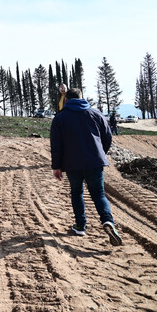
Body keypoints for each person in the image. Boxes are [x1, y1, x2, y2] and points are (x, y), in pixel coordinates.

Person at [50, 88, 122, 246]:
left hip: (72, 164)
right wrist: (100, 153)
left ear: (66, 100)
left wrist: (57, 166)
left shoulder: (60, 118)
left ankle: (80, 226)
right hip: (95, 162)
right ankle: (108, 221)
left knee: (77, 193)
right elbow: (107, 136)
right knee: (99, 194)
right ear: (82, 97)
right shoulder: (96, 114)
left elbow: (56, 145)